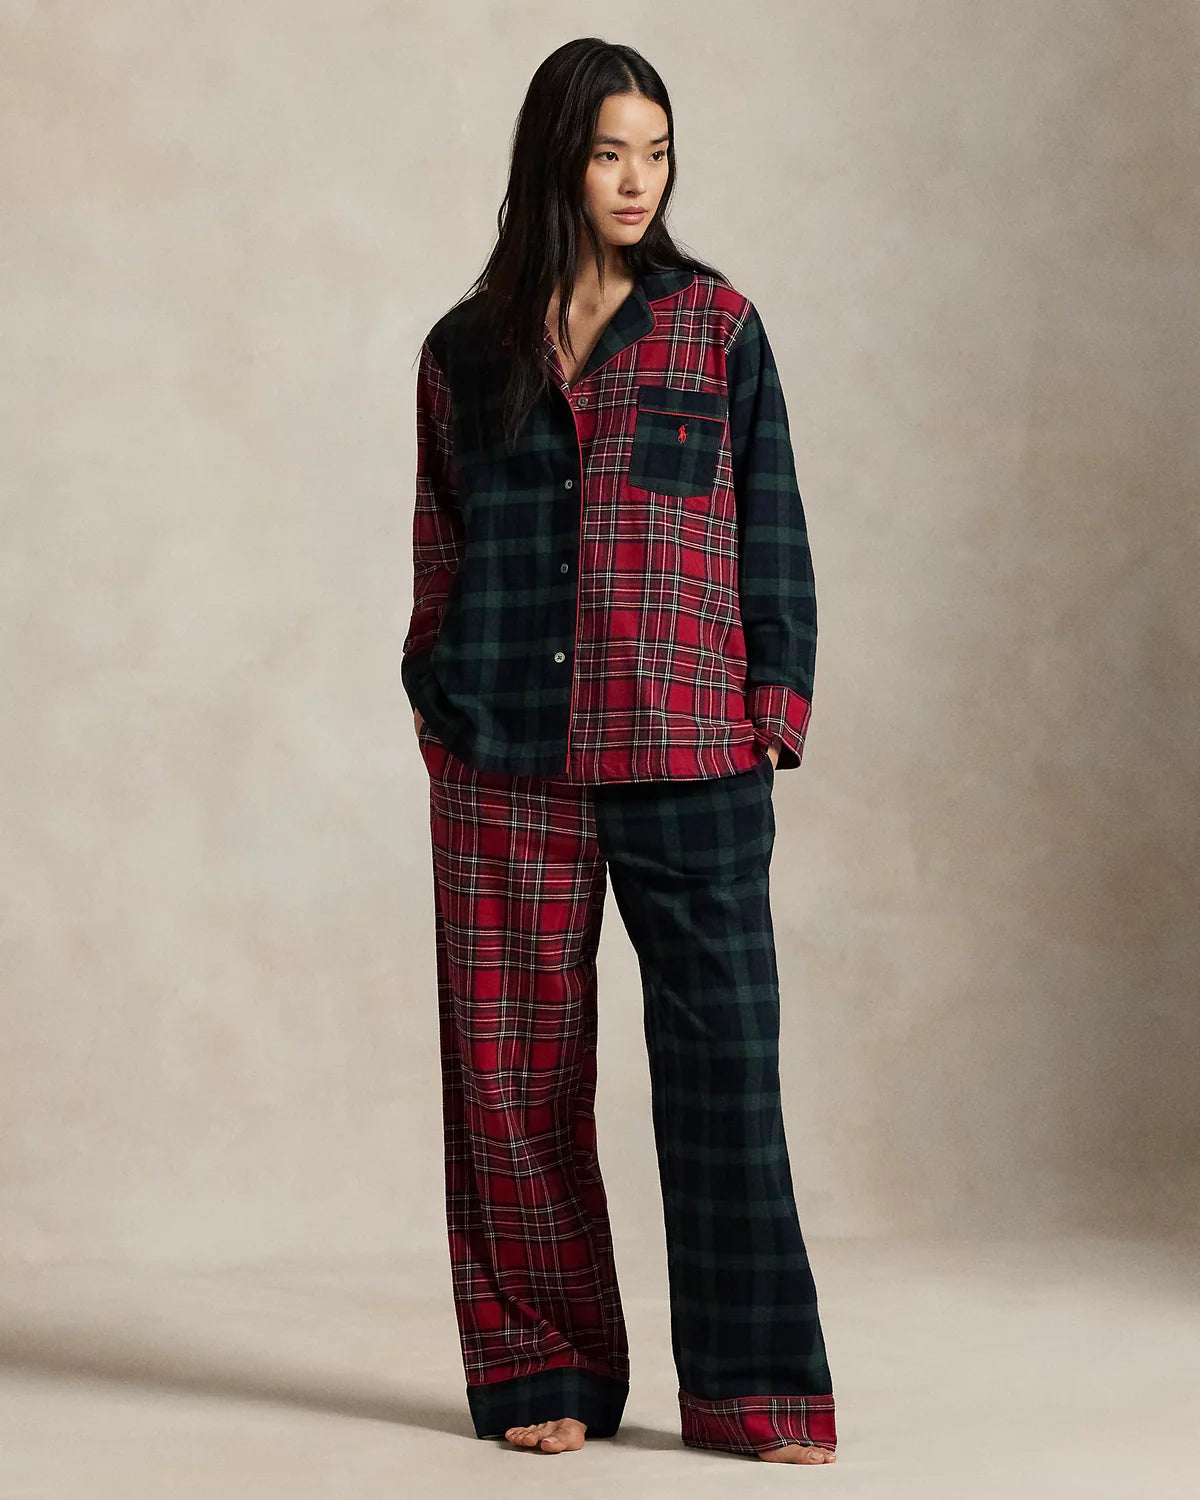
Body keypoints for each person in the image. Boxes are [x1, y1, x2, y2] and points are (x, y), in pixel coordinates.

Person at [402, 37, 837, 1465]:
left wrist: (773, 706)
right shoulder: (466, 351)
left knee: (726, 1072)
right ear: (558, 161)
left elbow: (772, 522)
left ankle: (755, 1392)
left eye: (656, 151)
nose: (637, 180)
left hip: (691, 746)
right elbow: (441, 535)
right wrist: (435, 691)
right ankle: (546, 1369)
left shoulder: (718, 328)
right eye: (609, 153)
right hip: (505, 754)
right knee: (512, 1074)